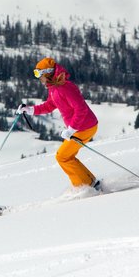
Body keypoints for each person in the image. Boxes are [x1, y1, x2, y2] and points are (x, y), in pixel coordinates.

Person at [17, 57, 100, 189]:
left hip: (85, 127)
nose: (38, 78)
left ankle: (85, 186)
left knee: (62, 157)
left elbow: (81, 109)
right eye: (36, 74)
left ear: (48, 73)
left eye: (39, 74)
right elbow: (50, 105)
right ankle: (90, 184)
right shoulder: (54, 88)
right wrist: (30, 110)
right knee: (66, 157)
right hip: (80, 127)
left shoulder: (65, 88)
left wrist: (72, 129)